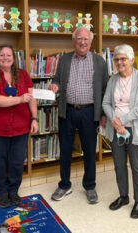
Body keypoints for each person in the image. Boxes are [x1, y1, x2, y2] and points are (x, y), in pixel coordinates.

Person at [48, 27, 109, 204]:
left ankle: (90, 186)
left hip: (90, 112)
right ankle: (64, 185)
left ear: (91, 42)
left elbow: (105, 88)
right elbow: (57, 79)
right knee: (65, 149)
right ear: (74, 41)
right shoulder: (65, 59)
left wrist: (103, 113)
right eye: (79, 39)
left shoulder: (99, 61)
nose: (82, 42)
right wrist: (54, 86)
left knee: (89, 150)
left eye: (86, 39)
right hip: (67, 110)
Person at [0, 45, 38, 208]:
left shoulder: (23, 75)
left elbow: (32, 98)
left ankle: (13, 190)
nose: (5, 58)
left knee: (16, 161)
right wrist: (20, 99)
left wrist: (34, 118)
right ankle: (1, 192)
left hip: (21, 127)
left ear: (14, 58)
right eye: (2, 55)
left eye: (8, 55)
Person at [102, 44, 138, 218]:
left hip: (135, 130)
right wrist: (115, 123)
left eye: (123, 58)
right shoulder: (113, 79)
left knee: (137, 166)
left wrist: (121, 120)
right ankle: (123, 196)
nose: (119, 62)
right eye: (116, 59)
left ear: (131, 59)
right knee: (119, 165)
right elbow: (106, 103)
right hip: (117, 130)